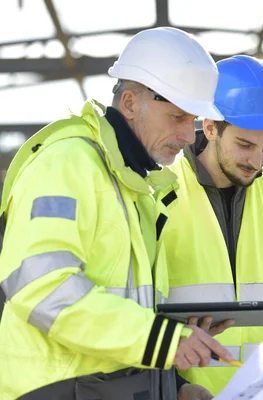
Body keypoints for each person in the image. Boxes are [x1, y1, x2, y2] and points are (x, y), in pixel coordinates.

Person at [0, 27, 233, 400]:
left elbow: (123, 310)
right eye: (176, 117)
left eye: (191, 122)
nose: (189, 137)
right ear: (129, 103)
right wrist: (161, 339)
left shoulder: (135, 183)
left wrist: (174, 383)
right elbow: (42, 289)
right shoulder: (67, 165)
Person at [162, 55, 263, 395]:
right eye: (244, 145)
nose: (256, 161)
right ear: (211, 126)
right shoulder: (159, 188)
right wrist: (176, 388)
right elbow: (136, 310)